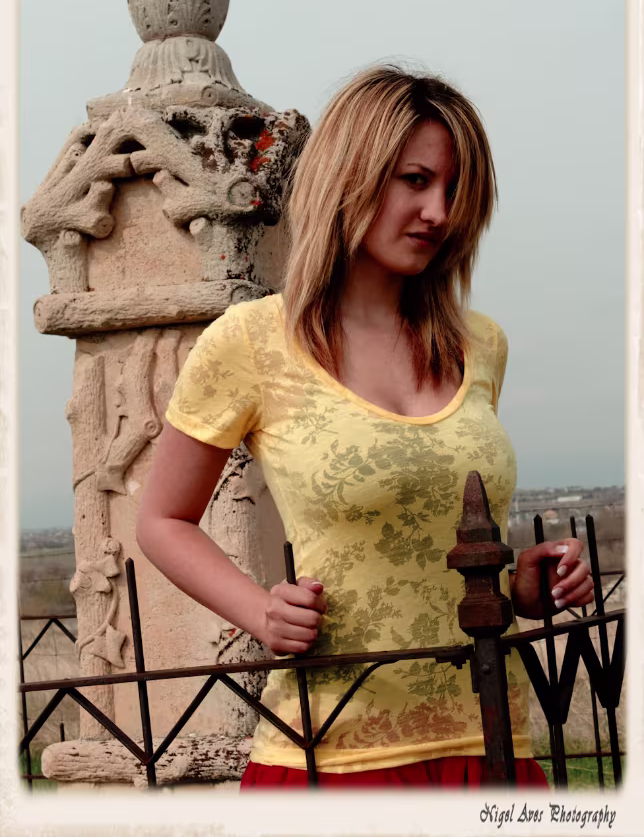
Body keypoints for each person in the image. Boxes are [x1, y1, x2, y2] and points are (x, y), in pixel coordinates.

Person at [136, 65, 594, 789]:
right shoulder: (251, 342)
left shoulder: (480, 345)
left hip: (492, 742)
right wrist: (260, 612)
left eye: (455, 190)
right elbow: (162, 520)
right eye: (415, 180)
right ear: (350, 176)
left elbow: (441, 535)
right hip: (331, 753)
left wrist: (523, 588)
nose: (439, 212)